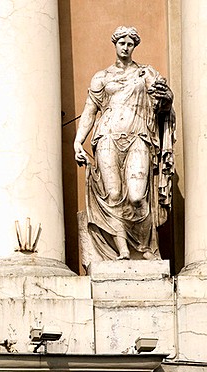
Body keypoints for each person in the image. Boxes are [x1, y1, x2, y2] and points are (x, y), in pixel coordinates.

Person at [73, 26, 175, 261]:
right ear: (115, 44)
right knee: (113, 193)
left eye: (130, 43)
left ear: (134, 46)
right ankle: (123, 251)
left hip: (139, 135)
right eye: (122, 43)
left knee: (138, 195)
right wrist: (78, 142)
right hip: (106, 137)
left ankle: (144, 247)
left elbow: (161, 105)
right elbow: (90, 112)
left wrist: (167, 98)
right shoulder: (102, 77)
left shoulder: (146, 73)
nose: (126, 47)